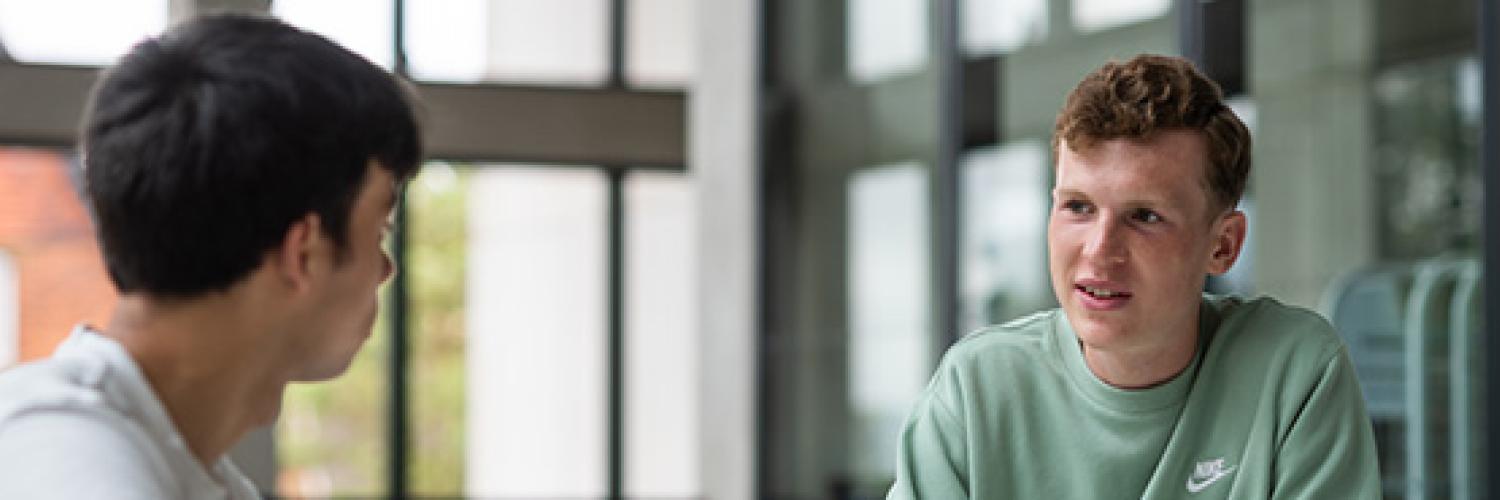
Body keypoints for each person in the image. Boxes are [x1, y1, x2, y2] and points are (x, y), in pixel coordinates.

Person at [886, 54, 1381, 499]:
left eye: (1144, 216)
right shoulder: (976, 392)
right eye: (1078, 207)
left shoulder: (1294, 373)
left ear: (1223, 244)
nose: (1099, 250)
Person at [0, 13, 422, 499]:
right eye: (380, 230)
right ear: (303, 252)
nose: (387, 270)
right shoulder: (70, 464)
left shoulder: (173, 463)